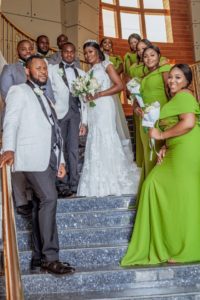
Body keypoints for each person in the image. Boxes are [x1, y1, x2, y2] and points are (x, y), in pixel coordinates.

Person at [0, 55, 75, 275]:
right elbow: (11, 120)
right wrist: (8, 149)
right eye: (38, 68)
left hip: (48, 157)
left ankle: (38, 257)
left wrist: (60, 160)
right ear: (27, 71)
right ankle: (51, 257)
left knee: (38, 205)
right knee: (49, 199)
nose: (43, 71)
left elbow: (55, 131)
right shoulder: (19, 91)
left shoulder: (45, 96)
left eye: (45, 68)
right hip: (30, 157)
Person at [121, 64, 200, 266]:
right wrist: (165, 145)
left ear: (187, 82)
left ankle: (189, 248)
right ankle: (169, 242)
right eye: (171, 77)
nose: (172, 80)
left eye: (178, 77)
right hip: (175, 149)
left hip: (187, 150)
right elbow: (175, 123)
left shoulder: (185, 96)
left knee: (184, 197)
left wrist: (162, 135)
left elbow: (189, 122)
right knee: (153, 185)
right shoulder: (174, 99)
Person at [77, 40, 140, 197]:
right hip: (93, 110)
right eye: (85, 53)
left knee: (106, 136)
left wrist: (100, 94)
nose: (88, 55)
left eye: (90, 51)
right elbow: (85, 98)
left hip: (105, 106)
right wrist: (84, 120)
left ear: (98, 52)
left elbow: (120, 85)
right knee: (95, 138)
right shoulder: (88, 72)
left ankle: (112, 179)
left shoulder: (107, 66)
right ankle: (97, 181)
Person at [0, 40, 55, 216]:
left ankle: (34, 196)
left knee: (35, 159)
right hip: (18, 116)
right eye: (23, 49)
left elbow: (48, 92)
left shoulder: (41, 68)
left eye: (30, 48)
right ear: (18, 51)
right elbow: (6, 92)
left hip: (37, 120)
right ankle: (21, 200)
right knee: (17, 160)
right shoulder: (10, 69)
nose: (27, 51)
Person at [48, 42, 87, 197]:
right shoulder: (52, 70)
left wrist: (84, 121)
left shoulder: (81, 73)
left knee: (73, 149)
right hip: (59, 113)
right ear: (61, 53)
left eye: (72, 52)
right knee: (59, 148)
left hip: (75, 113)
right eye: (66, 52)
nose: (69, 54)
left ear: (75, 54)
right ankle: (61, 183)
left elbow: (85, 100)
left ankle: (74, 183)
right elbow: (48, 91)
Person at [135, 45, 171, 196]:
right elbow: (138, 99)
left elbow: (170, 92)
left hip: (161, 118)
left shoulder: (164, 70)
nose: (149, 58)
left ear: (159, 56)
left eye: (152, 55)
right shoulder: (142, 78)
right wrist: (136, 107)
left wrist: (171, 116)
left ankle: (163, 191)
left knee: (160, 154)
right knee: (149, 155)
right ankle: (150, 194)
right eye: (145, 56)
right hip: (146, 121)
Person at [128, 39, 152, 168]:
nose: (141, 52)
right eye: (138, 50)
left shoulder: (159, 63)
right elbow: (132, 85)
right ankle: (144, 162)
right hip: (140, 102)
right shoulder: (133, 68)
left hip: (154, 102)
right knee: (143, 133)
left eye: (144, 48)